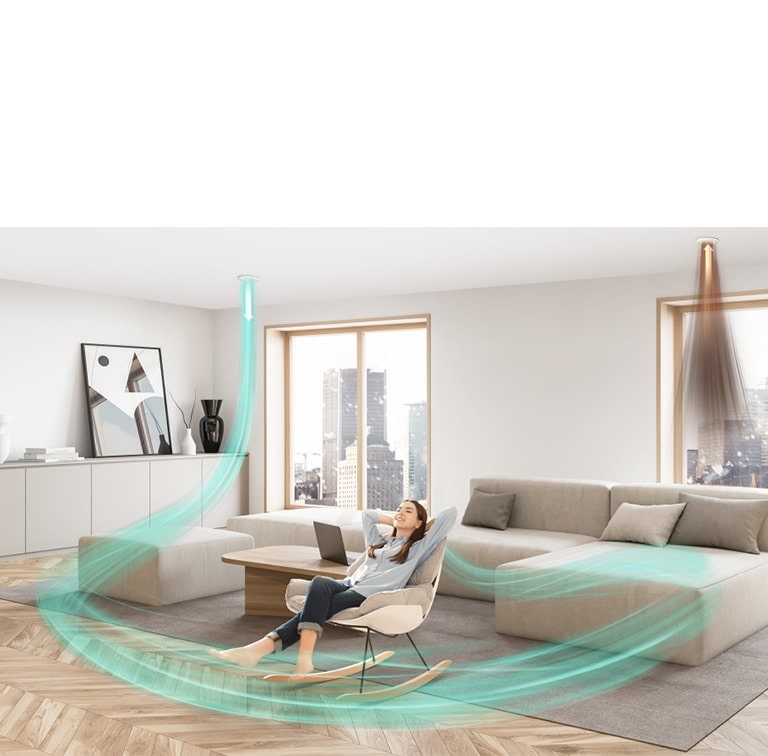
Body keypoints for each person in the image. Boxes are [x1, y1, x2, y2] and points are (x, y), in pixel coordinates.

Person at [208, 500, 457, 679]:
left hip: (367, 596)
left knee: (315, 600)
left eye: (408, 511)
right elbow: (367, 515)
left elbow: (451, 513)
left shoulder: (416, 548)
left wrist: (422, 528)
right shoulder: (380, 542)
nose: (401, 512)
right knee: (319, 586)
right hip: (348, 586)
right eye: (399, 509)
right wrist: (393, 518)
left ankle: (266, 651)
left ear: (420, 521)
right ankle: (286, 657)